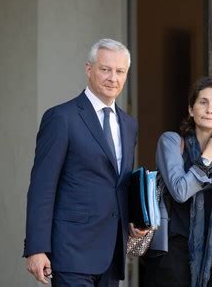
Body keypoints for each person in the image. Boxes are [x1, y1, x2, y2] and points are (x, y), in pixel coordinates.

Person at [23, 38, 147, 286]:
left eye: (120, 71)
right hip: (71, 251)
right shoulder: (61, 118)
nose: (113, 77)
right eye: (105, 69)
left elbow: (119, 183)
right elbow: (42, 187)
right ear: (89, 69)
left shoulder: (129, 125)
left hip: (112, 252)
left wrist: (134, 219)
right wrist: (36, 248)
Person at [144, 77, 212, 287]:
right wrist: (208, 157)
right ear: (191, 109)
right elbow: (179, 190)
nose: (209, 109)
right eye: (202, 102)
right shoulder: (171, 142)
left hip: (211, 257)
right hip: (172, 255)